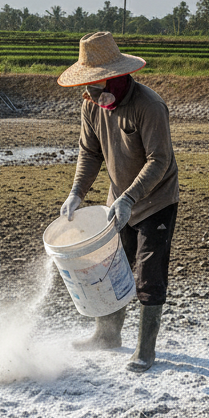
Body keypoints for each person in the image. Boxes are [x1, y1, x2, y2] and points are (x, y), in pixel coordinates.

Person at [57, 31, 179, 372]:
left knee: (148, 274)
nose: (92, 94)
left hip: (155, 201)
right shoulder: (91, 105)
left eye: (98, 85)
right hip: (118, 204)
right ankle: (107, 334)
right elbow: (89, 152)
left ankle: (145, 349)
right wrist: (76, 193)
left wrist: (129, 198)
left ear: (117, 76)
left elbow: (160, 160)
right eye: (89, 87)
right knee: (112, 270)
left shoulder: (148, 106)